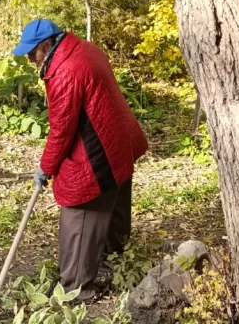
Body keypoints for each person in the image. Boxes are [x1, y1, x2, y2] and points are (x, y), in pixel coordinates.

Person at [12, 18, 148, 301]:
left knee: (81, 211)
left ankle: (75, 288)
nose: (30, 59)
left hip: (100, 151)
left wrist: (46, 167)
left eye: (32, 52)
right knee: (114, 203)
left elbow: (62, 130)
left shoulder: (65, 70)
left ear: (46, 44)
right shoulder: (84, 48)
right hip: (119, 139)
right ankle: (113, 263)